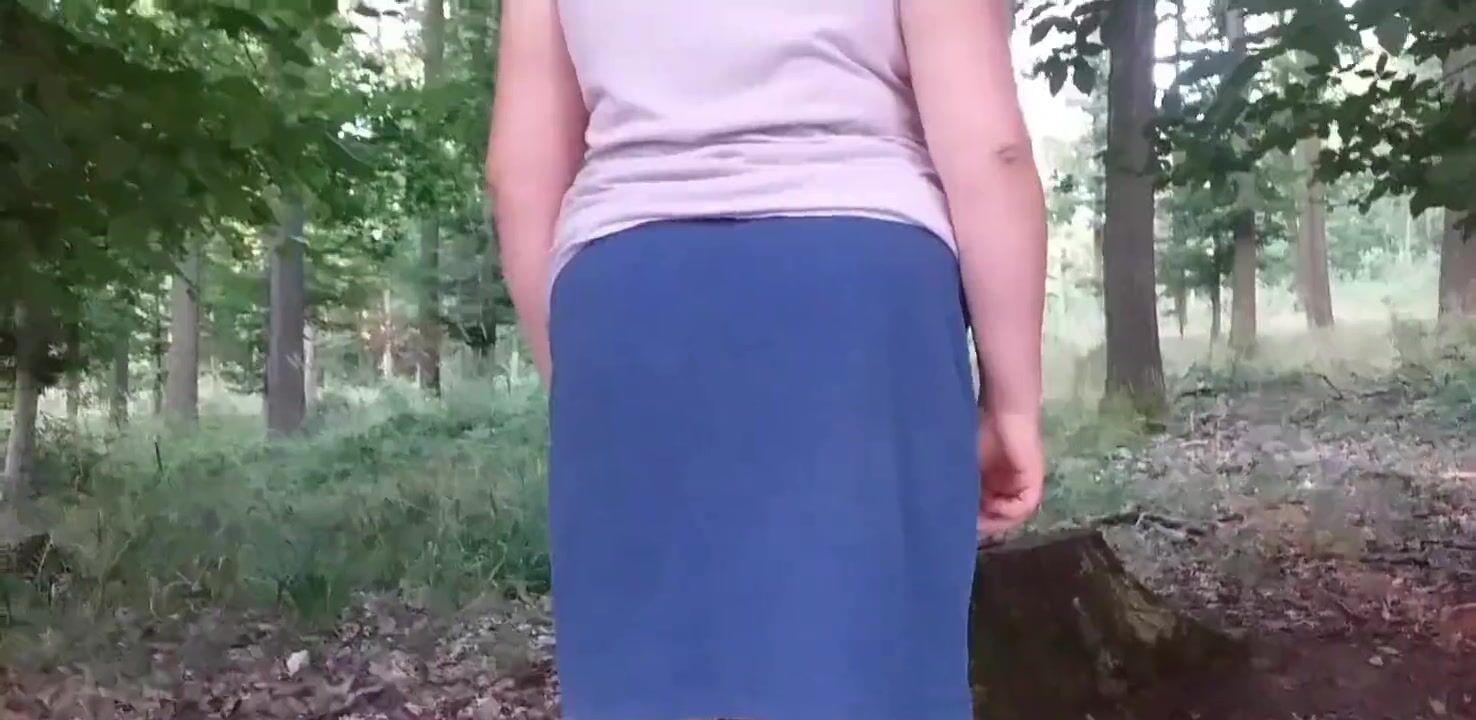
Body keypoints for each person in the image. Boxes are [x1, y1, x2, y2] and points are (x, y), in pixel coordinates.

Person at [487, 1, 1047, 717]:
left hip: (625, 294)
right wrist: (1013, 401)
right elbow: (992, 152)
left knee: (645, 673)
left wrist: (577, 372)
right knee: (869, 659)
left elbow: (521, 174)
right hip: (860, 297)